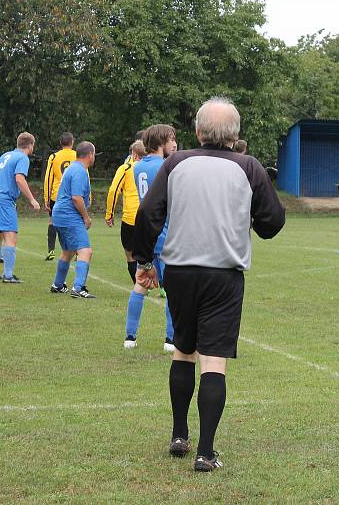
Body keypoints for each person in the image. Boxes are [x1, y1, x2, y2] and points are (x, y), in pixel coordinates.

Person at [133, 97, 286, 472]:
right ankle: (206, 452)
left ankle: (179, 434)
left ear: (198, 131)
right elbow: (273, 222)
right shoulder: (249, 167)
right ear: (235, 135)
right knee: (213, 360)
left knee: (183, 350)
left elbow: (147, 214)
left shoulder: (177, 162)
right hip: (224, 275)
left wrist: (144, 261)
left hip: (181, 271)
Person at [123, 124, 177, 352]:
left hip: (145, 234)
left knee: (140, 285)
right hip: (165, 234)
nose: (174, 144)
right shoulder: (166, 166)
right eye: (172, 139)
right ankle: (170, 340)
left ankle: (130, 337)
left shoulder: (137, 167)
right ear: (161, 141)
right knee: (174, 291)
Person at [0, 132, 41, 283]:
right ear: (30, 145)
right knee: (11, 237)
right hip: (3, 200)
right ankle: (8, 275)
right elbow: (19, 179)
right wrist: (32, 199)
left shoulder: (5, 155)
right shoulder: (23, 158)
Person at [50, 142, 98, 299]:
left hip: (59, 214)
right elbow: (76, 198)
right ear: (90, 154)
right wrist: (86, 217)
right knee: (85, 251)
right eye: (94, 154)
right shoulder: (79, 171)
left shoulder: (72, 167)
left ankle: (57, 284)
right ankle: (78, 288)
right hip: (69, 215)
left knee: (68, 251)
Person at [105, 139, 146, 283]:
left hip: (131, 218)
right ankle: (162, 284)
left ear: (134, 154)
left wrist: (109, 214)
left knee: (130, 254)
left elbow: (113, 191)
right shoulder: (155, 167)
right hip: (150, 218)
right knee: (152, 252)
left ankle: (138, 284)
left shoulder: (126, 168)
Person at [43, 133, 77, 261]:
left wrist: (46, 197)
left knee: (52, 221)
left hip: (57, 195)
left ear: (61, 143)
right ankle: (77, 252)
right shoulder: (77, 155)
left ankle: (51, 250)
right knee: (75, 221)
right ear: (72, 142)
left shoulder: (54, 156)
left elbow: (48, 178)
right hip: (74, 194)